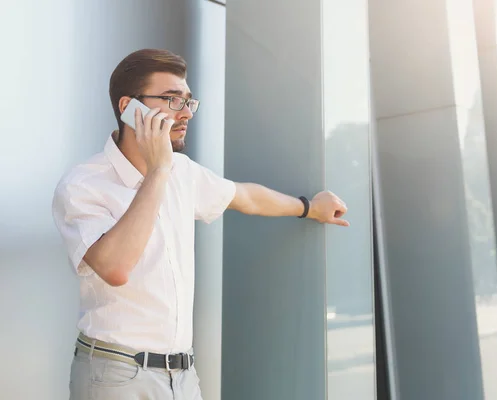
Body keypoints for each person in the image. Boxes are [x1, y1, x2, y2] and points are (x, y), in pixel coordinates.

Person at [52, 48, 349, 400]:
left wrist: (308, 208)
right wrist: (159, 169)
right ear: (128, 108)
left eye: (189, 103)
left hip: (183, 376)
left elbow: (244, 196)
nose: (185, 114)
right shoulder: (85, 185)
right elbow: (116, 267)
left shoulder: (184, 173)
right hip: (116, 376)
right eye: (172, 100)